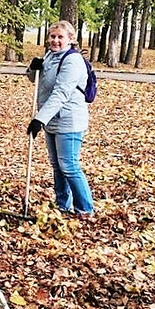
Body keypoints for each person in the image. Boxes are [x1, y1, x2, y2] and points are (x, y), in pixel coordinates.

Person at [26, 20, 94, 218]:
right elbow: (36, 80)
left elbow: (61, 93)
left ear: (71, 39)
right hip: (52, 119)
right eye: (53, 36)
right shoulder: (50, 55)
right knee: (57, 166)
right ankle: (63, 205)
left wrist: (40, 120)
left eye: (60, 37)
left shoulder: (73, 61)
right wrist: (33, 68)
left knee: (69, 165)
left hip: (69, 120)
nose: (55, 40)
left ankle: (85, 209)